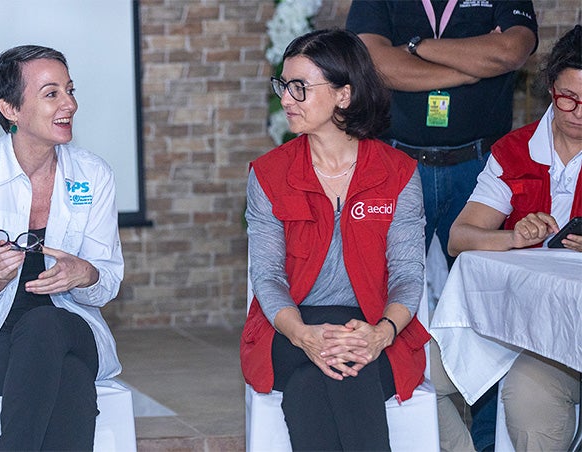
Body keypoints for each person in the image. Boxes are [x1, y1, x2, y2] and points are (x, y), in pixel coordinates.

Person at [346, 3, 539, 450]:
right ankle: (402, 434)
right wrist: (470, 66)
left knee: (490, 312)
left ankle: (487, 443)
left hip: (480, 170)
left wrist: (417, 48)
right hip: (397, 166)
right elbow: (374, 63)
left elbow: (511, 51)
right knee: (381, 297)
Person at [240, 29, 429, 451]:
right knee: (339, 372)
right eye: (283, 86)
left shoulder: (397, 173)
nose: (286, 99)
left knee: (326, 378)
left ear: (344, 95)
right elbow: (267, 276)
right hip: (289, 327)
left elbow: (407, 274)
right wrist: (305, 335)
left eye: (299, 88)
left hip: (372, 328)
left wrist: (381, 333)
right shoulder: (269, 174)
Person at [0, 45, 124, 451]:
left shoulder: (94, 174)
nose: (69, 104)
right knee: (70, 379)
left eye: (70, 90)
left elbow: (106, 284)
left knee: (47, 325)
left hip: (71, 327)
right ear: (10, 109)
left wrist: (85, 274)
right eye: (51, 93)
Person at [447, 24, 582, 451]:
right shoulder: (515, 150)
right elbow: (459, 238)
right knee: (405, 372)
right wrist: (513, 238)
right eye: (568, 98)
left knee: (528, 394)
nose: (579, 112)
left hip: (569, 332)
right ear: (549, 88)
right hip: (510, 316)